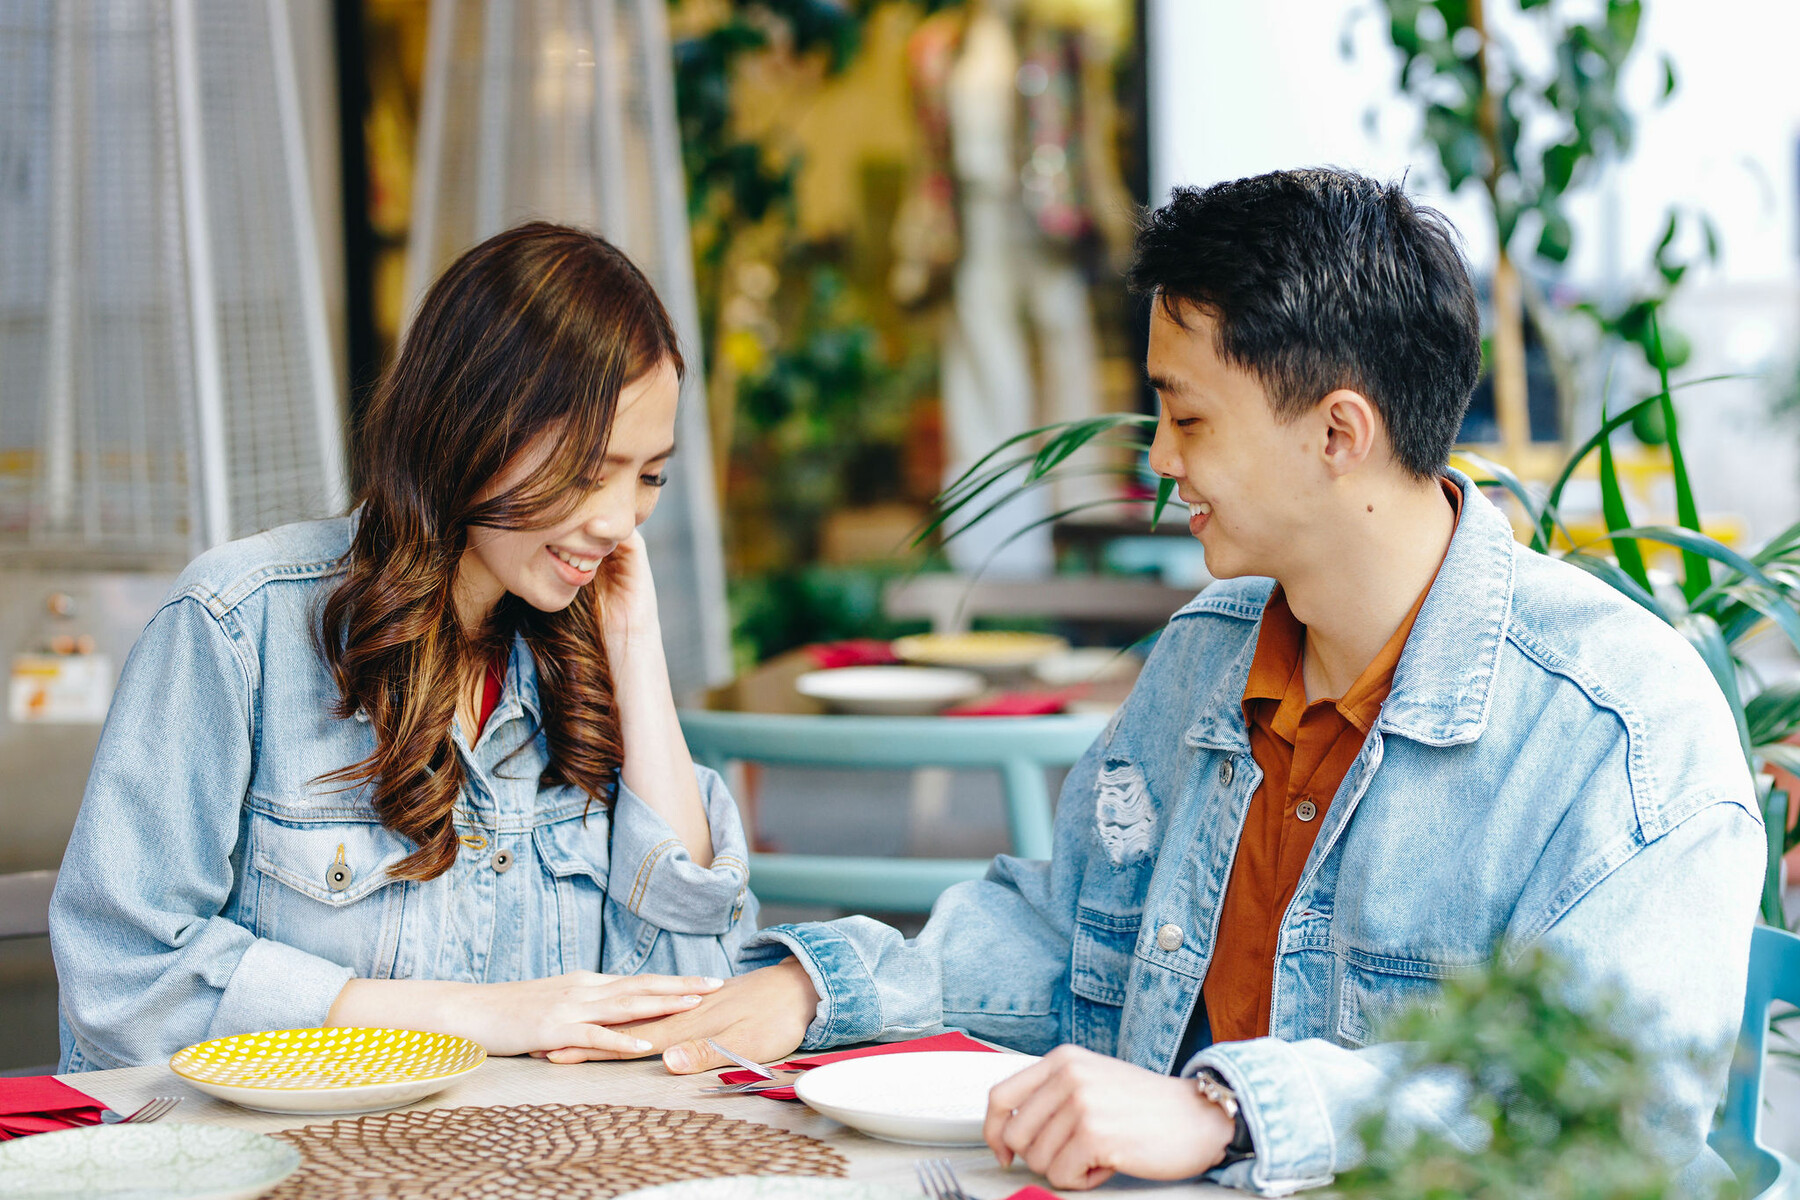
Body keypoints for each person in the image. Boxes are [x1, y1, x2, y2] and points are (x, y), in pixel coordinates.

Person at [621, 170, 1764, 1194]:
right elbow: (1062, 937)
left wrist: (1223, 1112)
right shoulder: (1208, 654)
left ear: (1338, 434)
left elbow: (1613, 1109)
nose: (1159, 461)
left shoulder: (1624, 731)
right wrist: (832, 991)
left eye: (1187, 416)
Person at [50, 223, 755, 1071]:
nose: (616, 520)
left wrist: (637, 650)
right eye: (585, 469)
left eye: (648, 477)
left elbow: (698, 997)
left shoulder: (580, 653)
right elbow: (122, 980)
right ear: (474, 427)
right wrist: (467, 1016)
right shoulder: (240, 624)